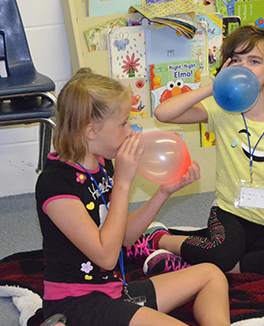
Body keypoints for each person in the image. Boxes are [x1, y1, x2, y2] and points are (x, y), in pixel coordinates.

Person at [35, 68, 230, 326]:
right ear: (91, 131)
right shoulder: (55, 183)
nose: (129, 131)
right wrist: (123, 183)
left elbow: (125, 237)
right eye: (123, 123)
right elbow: (105, 256)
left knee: (212, 274)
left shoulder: (103, 163)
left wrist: (163, 192)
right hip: (78, 303)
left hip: (114, 291)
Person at [142, 25, 264, 277]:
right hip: (230, 212)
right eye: (236, 61)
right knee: (223, 252)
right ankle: (161, 240)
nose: (243, 68)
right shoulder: (220, 109)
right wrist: (214, 86)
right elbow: (163, 113)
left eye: (254, 61)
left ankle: (206, 258)